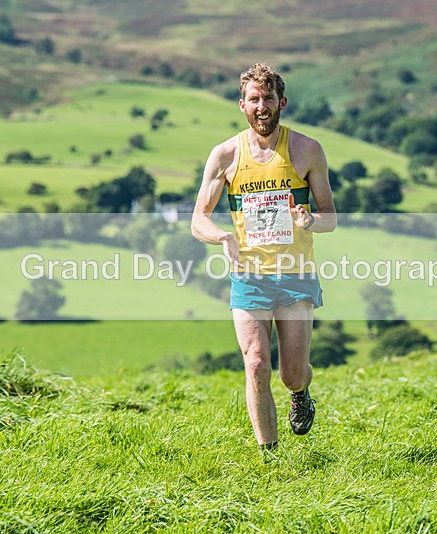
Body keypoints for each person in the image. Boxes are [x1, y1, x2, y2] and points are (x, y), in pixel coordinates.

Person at [191, 63, 336, 451]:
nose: (261, 106)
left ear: (281, 102)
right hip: (249, 275)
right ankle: (269, 457)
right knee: (256, 363)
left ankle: (301, 393)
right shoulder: (224, 155)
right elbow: (198, 219)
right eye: (253, 99)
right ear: (242, 105)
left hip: (295, 274)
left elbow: (330, 217)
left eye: (268, 98)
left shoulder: (307, 150)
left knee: (291, 374)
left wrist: (310, 220)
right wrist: (221, 237)